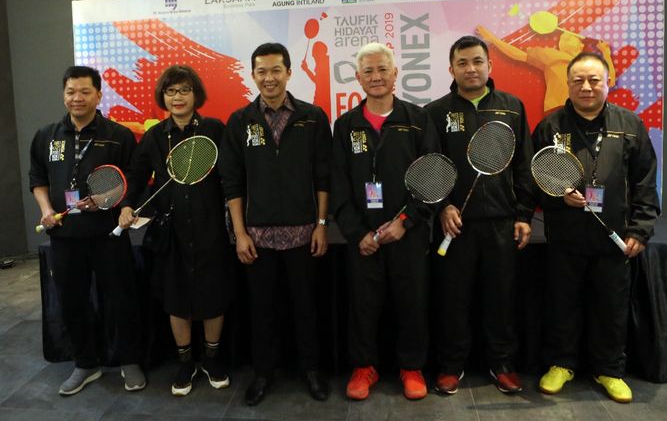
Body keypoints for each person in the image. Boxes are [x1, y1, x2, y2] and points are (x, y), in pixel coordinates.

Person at [532, 52, 659, 403]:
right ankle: (561, 364)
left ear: (608, 82)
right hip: (565, 236)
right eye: (578, 81)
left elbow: (646, 182)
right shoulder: (550, 127)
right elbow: (536, 180)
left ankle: (609, 370)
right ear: (568, 84)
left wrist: (640, 229)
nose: (586, 87)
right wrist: (560, 199)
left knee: (611, 306)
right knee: (562, 303)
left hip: (614, 238)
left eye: (594, 80)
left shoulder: (630, 124)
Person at [219, 42, 332, 405]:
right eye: (262, 71)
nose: (269, 78)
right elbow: (232, 183)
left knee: (306, 308)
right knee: (262, 311)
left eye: (276, 70)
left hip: (303, 235)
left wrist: (320, 224)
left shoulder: (313, 116)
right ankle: (263, 373)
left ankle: (311, 371)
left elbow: (323, 176)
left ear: (288, 72)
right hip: (258, 237)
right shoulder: (239, 121)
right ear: (253, 75)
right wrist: (239, 233)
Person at [425, 36, 535, 395]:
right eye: (462, 63)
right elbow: (432, 165)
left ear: (490, 65)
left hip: (502, 222)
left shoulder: (512, 107)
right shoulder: (436, 111)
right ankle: (451, 365)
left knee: (500, 298)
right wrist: (444, 206)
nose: (470, 69)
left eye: (477, 61)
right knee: (453, 298)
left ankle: (501, 363)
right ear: (451, 68)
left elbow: (523, 167)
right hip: (456, 228)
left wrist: (523, 214)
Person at [332, 42, 440, 401]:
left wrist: (405, 222)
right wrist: (356, 232)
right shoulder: (346, 125)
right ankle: (364, 366)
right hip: (364, 237)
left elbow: (432, 177)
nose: (376, 77)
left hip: (407, 234)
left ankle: (412, 367)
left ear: (396, 74)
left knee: (412, 301)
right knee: (362, 305)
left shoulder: (417, 119)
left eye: (383, 70)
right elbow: (338, 184)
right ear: (358, 78)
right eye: (368, 71)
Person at [29, 66, 145, 395]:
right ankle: (85, 363)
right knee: (71, 301)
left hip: (108, 235)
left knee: (122, 299)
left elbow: (131, 182)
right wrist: (47, 211)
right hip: (64, 238)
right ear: (63, 94)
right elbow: (37, 178)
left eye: (84, 92)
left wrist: (110, 201)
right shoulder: (46, 135)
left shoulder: (119, 134)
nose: (76, 98)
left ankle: (130, 361)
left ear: (98, 94)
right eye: (70, 92)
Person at [118, 65, 231, 396]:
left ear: (196, 94)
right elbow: (137, 177)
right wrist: (127, 204)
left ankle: (211, 358)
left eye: (184, 90)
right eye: (171, 92)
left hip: (211, 229)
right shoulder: (155, 136)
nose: (177, 97)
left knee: (213, 296)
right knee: (176, 298)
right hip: (171, 231)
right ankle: (185, 363)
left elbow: (230, 176)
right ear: (162, 97)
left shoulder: (214, 129)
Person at [476, 25, 616, 114]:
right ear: (560, 44)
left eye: (573, 38)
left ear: (580, 46)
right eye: (565, 37)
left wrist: (606, 53)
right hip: (556, 110)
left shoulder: (587, 64)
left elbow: (610, 81)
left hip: (582, 110)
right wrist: (493, 39)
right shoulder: (551, 56)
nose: (567, 39)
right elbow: (518, 54)